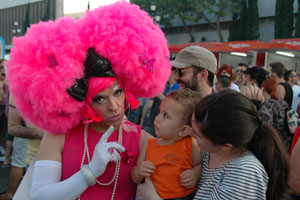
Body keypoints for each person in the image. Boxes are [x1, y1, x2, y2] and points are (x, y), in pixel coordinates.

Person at [6, 2, 170, 200]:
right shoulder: (59, 137)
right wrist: (89, 173)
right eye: (100, 98)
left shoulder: (143, 140)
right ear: (84, 102)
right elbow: (39, 196)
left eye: (117, 92)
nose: (114, 106)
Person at [137, 90, 290, 200]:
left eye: (197, 134)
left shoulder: (244, 172)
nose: (190, 134)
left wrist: (153, 198)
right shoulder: (208, 152)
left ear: (225, 145)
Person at [131, 89, 202, 200]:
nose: (157, 118)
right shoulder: (149, 144)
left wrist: (195, 173)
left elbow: (199, 165)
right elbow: (135, 177)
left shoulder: (190, 145)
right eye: (159, 112)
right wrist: (139, 171)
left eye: (165, 116)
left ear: (183, 130)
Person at [259, 78, 292, 150]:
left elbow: (266, 126)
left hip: (274, 144)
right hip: (286, 141)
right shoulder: (282, 101)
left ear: (263, 89)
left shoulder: (268, 105)